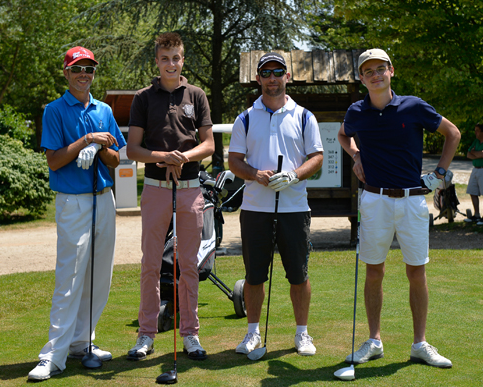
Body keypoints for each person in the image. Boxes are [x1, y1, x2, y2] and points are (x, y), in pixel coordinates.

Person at [337, 48, 460, 368]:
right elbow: (343, 135)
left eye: (381, 68)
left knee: (416, 271)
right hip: (374, 200)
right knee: (374, 270)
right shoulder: (357, 111)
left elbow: (452, 133)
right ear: (361, 78)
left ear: (392, 70)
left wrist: (441, 174)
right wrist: (356, 155)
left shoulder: (413, 106)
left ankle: (420, 343)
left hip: (412, 200)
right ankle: (374, 341)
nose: (375, 75)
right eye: (368, 71)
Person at [29, 46, 126, 381]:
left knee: (100, 276)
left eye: (90, 69)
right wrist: (86, 138)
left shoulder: (104, 110)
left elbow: (117, 159)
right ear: (67, 73)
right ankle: (52, 354)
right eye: (78, 68)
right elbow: (54, 160)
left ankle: (83, 342)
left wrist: (101, 149)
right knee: (69, 277)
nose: (84, 74)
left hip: (104, 196)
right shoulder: (54, 110)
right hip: (73, 201)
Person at [126, 32, 214, 361]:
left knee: (188, 264)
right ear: (157, 61)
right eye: (165, 58)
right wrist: (163, 158)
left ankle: (190, 334)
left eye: (176, 58)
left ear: (182, 59)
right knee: (150, 264)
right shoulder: (143, 97)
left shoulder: (197, 95)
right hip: (155, 189)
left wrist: (184, 157)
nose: (171, 64)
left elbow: (208, 144)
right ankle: (146, 334)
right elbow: (132, 148)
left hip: (190, 188)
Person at [228, 52, 324, 356]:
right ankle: (253, 333)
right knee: (255, 275)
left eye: (278, 72)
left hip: (294, 208)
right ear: (258, 78)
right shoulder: (245, 117)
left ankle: (302, 334)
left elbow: (317, 158)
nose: (272, 78)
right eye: (266, 73)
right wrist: (255, 175)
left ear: (287, 76)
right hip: (256, 209)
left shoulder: (305, 116)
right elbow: (234, 161)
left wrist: (294, 176)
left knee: (299, 274)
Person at [463, 123, 483, 225]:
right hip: (475, 169)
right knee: (472, 191)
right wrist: (478, 154)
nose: (475, 133)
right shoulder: (476, 141)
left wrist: (475, 153)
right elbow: (468, 154)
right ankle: (476, 215)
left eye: (477, 130)